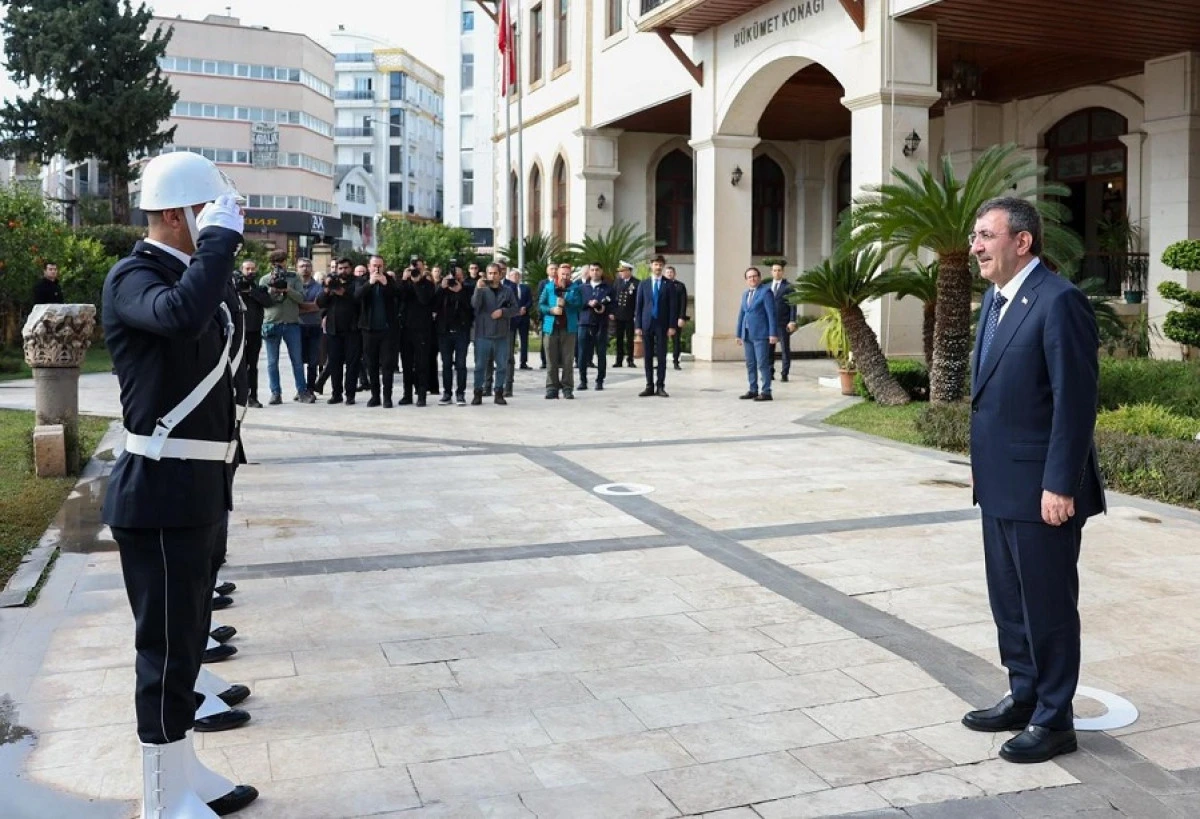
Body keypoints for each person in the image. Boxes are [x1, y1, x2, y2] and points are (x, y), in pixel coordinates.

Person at [101, 151, 258, 817]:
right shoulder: (132, 277)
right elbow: (179, 317)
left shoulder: (189, 273)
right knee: (164, 654)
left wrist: (214, 250)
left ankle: (184, 769)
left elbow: (216, 318)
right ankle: (162, 800)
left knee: (190, 638)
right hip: (158, 493)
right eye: (205, 212)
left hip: (194, 487)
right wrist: (217, 245)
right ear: (173, 215)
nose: (216, 223)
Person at [961, 196, 1105, 765]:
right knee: (1009, 602)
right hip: (998, 483)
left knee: (1046, 606)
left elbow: (1076, 400)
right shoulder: (994, 302)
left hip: (1044, 490)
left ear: (1022, 242)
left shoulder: (1059, 300)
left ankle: (1053, 718)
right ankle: (1023, 694)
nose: (975, 246)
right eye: (975, 236)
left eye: (985, 235)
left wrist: (1060, 483)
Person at [259, 250, 313, 404]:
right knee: (271, 362)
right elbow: (264, 301)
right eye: (277, 262)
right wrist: (273, 290)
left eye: (282, 261)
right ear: (272, 264)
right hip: (272, 323)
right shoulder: (265, 279)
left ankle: (302, 391)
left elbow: (301, 298)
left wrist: (288, 289)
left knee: (297, 360)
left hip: (291, 323)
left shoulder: (294, 277)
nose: (280, 265)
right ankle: (276, 393)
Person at [471, 263, 520, 405]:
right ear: (486, 274)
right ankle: (478, 392)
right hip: (483, 334)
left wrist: (503, 312)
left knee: (502, 366)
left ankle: (499, 392)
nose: (493, 276)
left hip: (501, 334)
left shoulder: (507, 291)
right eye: (490, 273)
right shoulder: (482, 289)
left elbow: (515, 308)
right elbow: (475, 305)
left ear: (500, 274)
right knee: (480, 366)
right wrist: (478, 289)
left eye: (495, 273)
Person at [355, 260, 400, 407]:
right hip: (369, 330)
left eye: (379, 265)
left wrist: (386, 283)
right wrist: (370, 283)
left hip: (387, 330)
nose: (377, 268)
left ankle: (387, 397)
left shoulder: (390, 279)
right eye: (374, 265)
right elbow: (356, 296)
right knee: (371, 364)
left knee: (387, 365)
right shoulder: (362, 280)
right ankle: (375, 396)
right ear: (369, 267)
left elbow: (398, 295)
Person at [633, 254, 679, 397]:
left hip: (662, 324)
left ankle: (660, 386)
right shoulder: (644, 284)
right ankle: (649, 385)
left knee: (661, 356)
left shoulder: (669, 284)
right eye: (655, 264)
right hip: (647, 323)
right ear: (651, 266)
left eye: (660, 265)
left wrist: (672, 326)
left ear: (663, 266)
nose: (658, 267)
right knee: (647, 356)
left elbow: (673, 307)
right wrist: (638, 326)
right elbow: (639, 306)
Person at [539, 263, 584, 399]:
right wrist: (551, 310)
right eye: (562, 274)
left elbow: (580, 305)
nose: (565, 276)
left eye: (567, 274)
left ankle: (567, 388)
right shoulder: (549, 287)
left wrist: (568, 304)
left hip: (568, 329)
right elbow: (541, 305)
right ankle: (552, 388)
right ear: (557, 274)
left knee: (567, 360)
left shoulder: (575, 288)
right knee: (551, 360)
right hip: (550, 328)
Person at [735, 267, 779, 401]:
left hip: (761, 334)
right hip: (747, 334)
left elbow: (771, 315)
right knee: (750, 364)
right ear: (746, 280)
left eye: (754, 276)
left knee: (762, 363)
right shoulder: (745, 294)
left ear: (759, 278)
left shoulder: (766, 292)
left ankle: (766, 392)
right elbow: (742, 315)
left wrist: (773, 333)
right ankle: (753, 389)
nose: (752, 279)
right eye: (749, 277)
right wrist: (738, 334)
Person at [233, 260, 272, 408]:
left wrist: (251, 292)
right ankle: (237, 396)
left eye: (252, 269)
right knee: (237, 365)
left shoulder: (259, 288)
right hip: (238, 332)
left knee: (253, 366)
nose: (250, 271)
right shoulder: (234, 287)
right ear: (242, 270)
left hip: (254, 332)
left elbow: (268, 302)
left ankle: (253, 396)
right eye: (247, 269)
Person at [578, 262, 613, 391]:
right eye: (592, 270)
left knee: (601, 353)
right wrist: (588, 303)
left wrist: (602, 306)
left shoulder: (608, 288)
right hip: (584, 323)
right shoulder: (582, 288)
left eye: (597, 270)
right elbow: (577, 304)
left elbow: (612, 305)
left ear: (601, 271)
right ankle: (583, 380)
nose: (594, 272)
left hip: (601, 324)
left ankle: (600, 381)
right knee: (582, 353)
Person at [767, 262, 798, 382]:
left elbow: (793, 305)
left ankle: (785, 373)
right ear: (771, 272)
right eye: (774, 270)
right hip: (770, 324)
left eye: (779, 270)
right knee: (769, 349)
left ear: (783, 272)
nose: (777, 272)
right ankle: (770, 372)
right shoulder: (767, 286)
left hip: (783, 323)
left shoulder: (788, 287)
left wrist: (792, 321)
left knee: (785, 349)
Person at [610, 261, 638, 368]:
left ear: (629, 271)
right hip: (619, 314)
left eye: (623, 271)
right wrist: (612, 311)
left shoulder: (636, 283)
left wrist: (636, 314)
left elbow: (637, 300)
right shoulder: (618, 282)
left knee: (630, 339)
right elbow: (613, 297)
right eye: (620, 271)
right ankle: (619, 360)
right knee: (619, 339)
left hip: (630, 315)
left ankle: (630, 360)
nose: (621, 273)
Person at [664, 265, 688, 370]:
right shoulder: (661, 285)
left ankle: (676, 362)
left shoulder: (680, 286)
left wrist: (681, 317)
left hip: (676, 318)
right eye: (667, 272)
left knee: (676, 341)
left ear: (674, 274)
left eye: (671, 272)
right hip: (663, 318)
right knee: (661, 341)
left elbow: (684, 302)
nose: (669, 274)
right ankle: (661, 362)